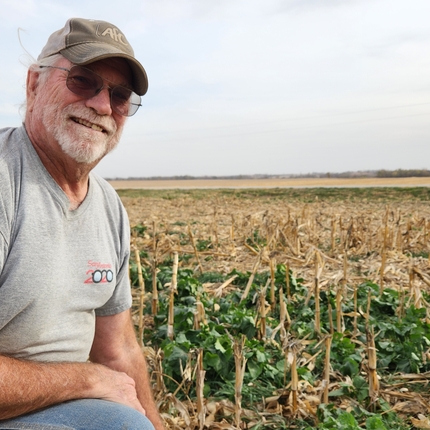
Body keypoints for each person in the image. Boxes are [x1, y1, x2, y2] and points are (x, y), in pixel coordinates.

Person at [0, 18, 165, 430]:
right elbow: (102, 372)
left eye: (120, 95)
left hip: (58, 408)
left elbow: (118, 350)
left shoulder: (108, 206)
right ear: (33, 84)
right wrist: (85, 378)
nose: (102, 106)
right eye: (82, 81)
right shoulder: (5, 180)